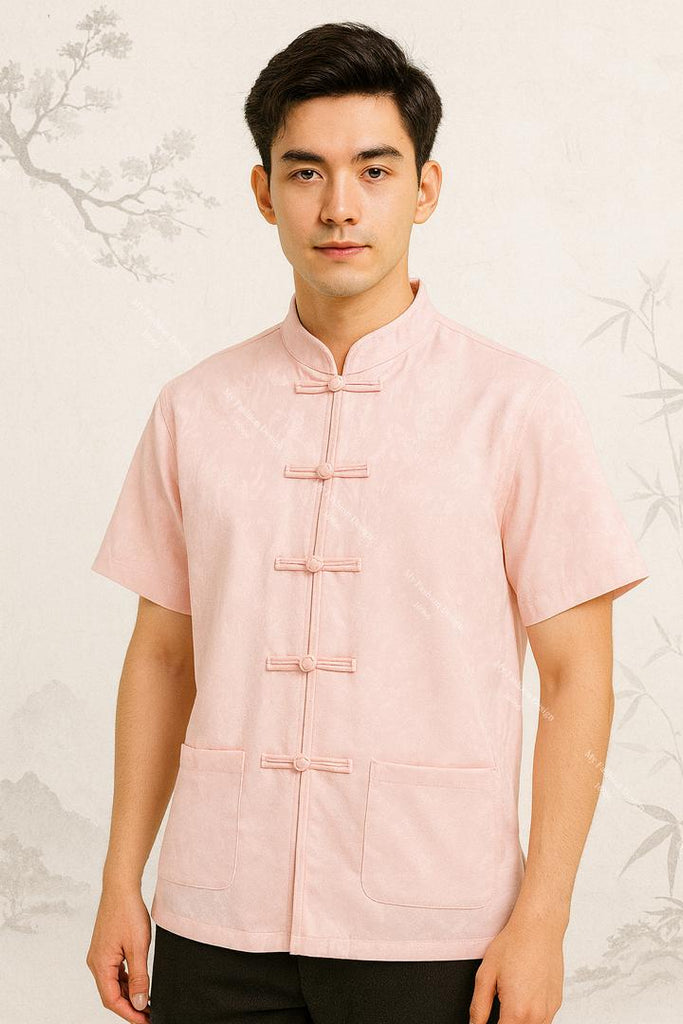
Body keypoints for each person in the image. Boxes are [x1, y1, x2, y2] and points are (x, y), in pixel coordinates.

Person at [85, 20, 649, 1024]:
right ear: (263, 192)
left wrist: (542, 918)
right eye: (304, 172)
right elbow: (162, 658)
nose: (338, 206)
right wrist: (121, 877)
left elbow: (576, 676)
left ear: (424, 188)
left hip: (434, 922)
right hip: (215, 914)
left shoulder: (515, 408)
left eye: (374, 171)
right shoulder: (193, 409)